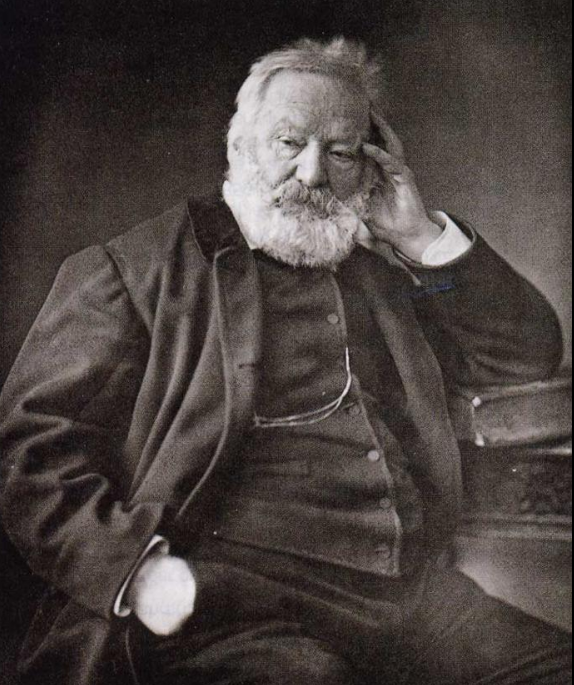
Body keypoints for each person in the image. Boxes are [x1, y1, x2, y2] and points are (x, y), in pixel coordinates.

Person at [0, 38, 570, 685]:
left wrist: (418, 234)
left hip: (410, 600)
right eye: (289, 143)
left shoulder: (381, 274)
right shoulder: (136, 270)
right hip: (227, 609)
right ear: (239, 147)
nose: (312, 174)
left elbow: (525, 353)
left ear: (371, 165)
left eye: (341, 152)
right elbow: (27, 449)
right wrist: (140, 572)